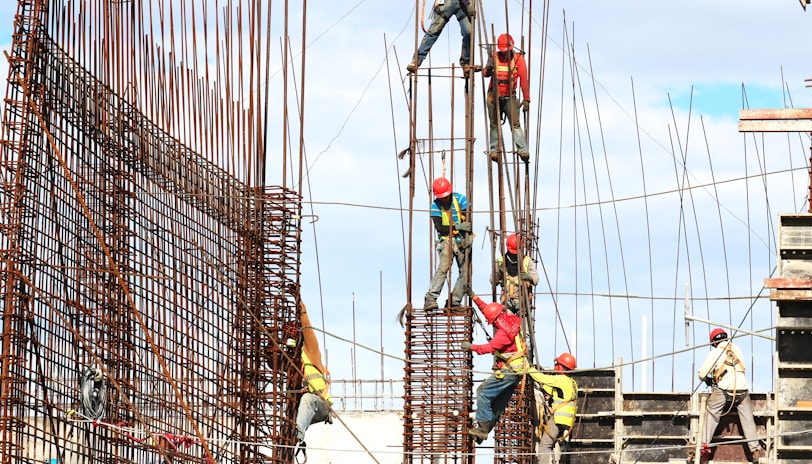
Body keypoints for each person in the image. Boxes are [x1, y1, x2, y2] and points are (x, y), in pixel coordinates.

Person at [463, 294, 526, 443]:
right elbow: (488, 310)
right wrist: (474, 297)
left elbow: (489, 347)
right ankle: (483, 432)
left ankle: (483, 428)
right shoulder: (511, 321)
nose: (492, 325)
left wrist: (471, 347)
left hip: (508, 371)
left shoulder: (503, 334)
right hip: (517, 371)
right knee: (497, 404)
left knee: (483, 392)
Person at [695, 328, 764, 461]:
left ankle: (703, 445)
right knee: (748, 419)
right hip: (742, 390)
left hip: (724, 390)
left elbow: (702, 373)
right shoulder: (737, 349)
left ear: (714, 343)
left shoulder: (716, 352)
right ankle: (755, 449)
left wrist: (708, 380)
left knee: (712, 414)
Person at [424, 177, 472, 310]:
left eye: (446, 196)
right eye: (442, 197)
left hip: (461, 241)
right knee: (443, 269)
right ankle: (431, 298)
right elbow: (440, 228)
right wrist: (458, 227)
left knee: (465, 272)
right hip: (446, 241)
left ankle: (454, 301)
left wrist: (468, 233)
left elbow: (468, 218)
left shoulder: (460, 199)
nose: (444, 199)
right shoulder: (435, 206)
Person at [483, 33, 530, 162]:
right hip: (494, 96)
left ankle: (522, 150)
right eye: (503, 51)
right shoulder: (494, 57)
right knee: (494, 124)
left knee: (515, 124)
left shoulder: (518, 59)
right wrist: (489, 68)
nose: (505, 53)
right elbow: (485, 74)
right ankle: (494, 150)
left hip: (510, 97)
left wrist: (526, 99)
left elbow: (524, 80)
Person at [530, 353, 579, 464]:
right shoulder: (572, 383)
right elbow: (554, 390)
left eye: (557, 364)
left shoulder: (560, 379)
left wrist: (529, 369)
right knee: (556, 444)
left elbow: (543, 378)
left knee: (544, 446)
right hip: (568, 421)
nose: (555, 366)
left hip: (559, 418)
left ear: (561, 366)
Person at [407, 0, 475, 73]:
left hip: (463, 4)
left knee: (469, 32)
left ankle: (466, 63)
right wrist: (468, 5)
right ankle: (416, 60)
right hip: (449, 2)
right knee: (434, 31)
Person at [491, 233, 539, 315]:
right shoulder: (501, 261)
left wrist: (529, 277)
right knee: (508, 326)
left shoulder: (527, 261)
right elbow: (493, 281)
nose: (514, 255)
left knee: (524, 327)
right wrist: (499, 274)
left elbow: (536, 280)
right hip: (507, 302)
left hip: (523, 303)